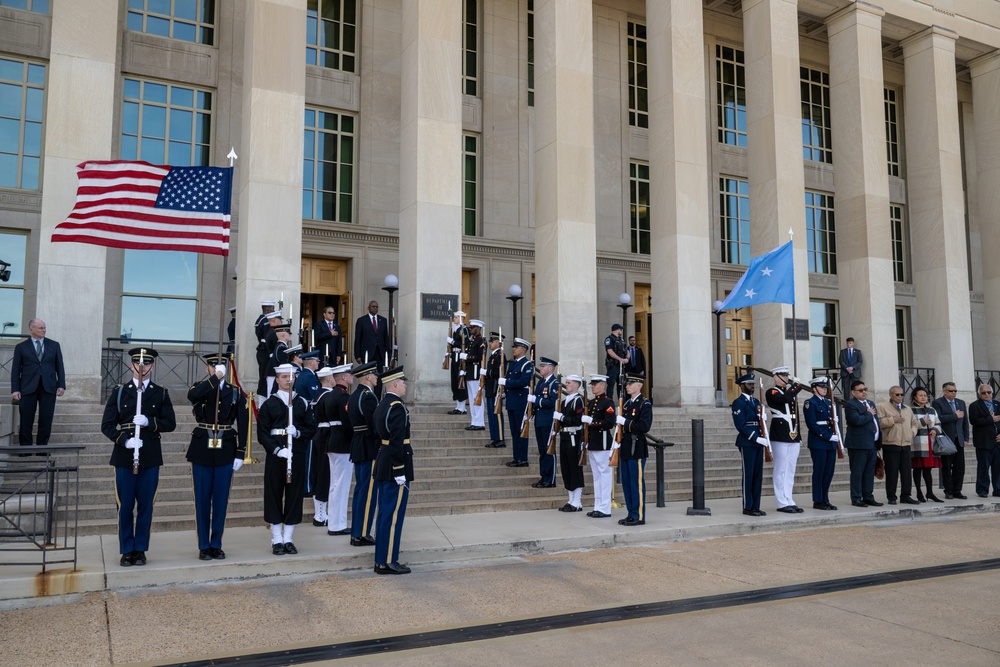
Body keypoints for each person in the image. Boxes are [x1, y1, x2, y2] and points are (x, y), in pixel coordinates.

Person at [101, 347, 176, 566]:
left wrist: (150, 423)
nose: (142, 368)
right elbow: (106, 425)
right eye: (137, 364)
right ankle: (126, 549)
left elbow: (170, 423)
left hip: (150, 455)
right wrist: (124, 440)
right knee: (124, 505)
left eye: (146, 364)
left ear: (152, 366)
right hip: (124, 455)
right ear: (131, 365)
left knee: (145, 505)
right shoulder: (120, 392)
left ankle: (140, 549)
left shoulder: (160, 392)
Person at [186, 353, 249, 560]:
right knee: (202, 500)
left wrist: (241, 452)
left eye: (221, 366)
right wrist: (214, 379)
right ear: (208, 369)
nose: (218, 369)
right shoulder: (201, 387)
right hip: (202, 447)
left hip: (226, 449)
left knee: (221, 500)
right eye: (213, 366)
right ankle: (203, 545)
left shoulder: (236, 393)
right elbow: (192, 397)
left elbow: (243, 422)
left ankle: (216, 543)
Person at [257, 363, 317, 555]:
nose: (287, 380)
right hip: (276, 455)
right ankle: (276, 539)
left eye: (290, 377)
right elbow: (262, 433)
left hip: (296, 453)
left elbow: (311, 429)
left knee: (294, 495)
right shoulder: (269, 403)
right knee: (274, 494)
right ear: (277, 379)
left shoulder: (302, 403)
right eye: (283, 377)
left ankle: (288, 538)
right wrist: (276, 449)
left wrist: (298, 432)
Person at [372, 366, 413, 575]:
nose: (405, 385)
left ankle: (381, 559)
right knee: (392, 515)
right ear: (395, 384)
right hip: (394, 465)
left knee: (384, 515)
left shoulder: (382, 404)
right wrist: (399, 471)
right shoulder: (397, 407)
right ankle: (388, 561)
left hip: (383, 462)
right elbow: (397, 441)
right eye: (403, 382)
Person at [10, 318, 65, 453]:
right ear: (31, 330)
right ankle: (25, 449)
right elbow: (16, 369)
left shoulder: (54, 345)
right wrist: (15, 389)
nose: (43, 330)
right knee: (26, 418)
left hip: (49, 386)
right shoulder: (21, 347)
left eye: (44, 327)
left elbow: (60, 367)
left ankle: (42, 448)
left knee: (46, 418)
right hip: (27, 387)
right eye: (40, 328)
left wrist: (61, 385)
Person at [765, 366, 806, 513]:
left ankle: (789, 499)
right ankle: (781, 502)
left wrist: (798, 434)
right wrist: (796, 386)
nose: (786, 378)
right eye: (783, 375)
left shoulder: (790, 392)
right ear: (776, 377)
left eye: (787, 375)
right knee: (781, 469)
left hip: (792, 433)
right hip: (780, 433)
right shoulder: (772, 391)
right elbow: (784, 398)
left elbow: (795, 415)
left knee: (790, 469)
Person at [348, 361, 380, 547]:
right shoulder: (368, 397)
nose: (377, 378)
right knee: (368, 492)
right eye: (374, 375)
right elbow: (373, 424)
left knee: (361, 490)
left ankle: (356, 532)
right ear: (368, 376)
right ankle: (362, 533)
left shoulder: (354, 395)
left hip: (358, 444)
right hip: (368, 446)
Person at [616, 374, 652, 525]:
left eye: (630, 384)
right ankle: (631, 513)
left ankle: (639, 515)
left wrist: (626, 422)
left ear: (639, 385)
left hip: (636, 446)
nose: (627, 386)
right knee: (626, 482)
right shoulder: (625, 404)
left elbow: (644, 426)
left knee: (636, 483)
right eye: (627, 384)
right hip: (625, 446)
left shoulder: (645, 404)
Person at [877, 386, 920, 505]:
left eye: (902, 394)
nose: (900, 397)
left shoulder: (907, 409)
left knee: (906, 472)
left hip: (905, 443)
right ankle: (891, 496)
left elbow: (914, 423)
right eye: (897, 394)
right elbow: (879, 422)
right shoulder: (883, 407)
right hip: (891, 443)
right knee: (892, 472)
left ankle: (906, 495)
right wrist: (892, 419)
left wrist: (911, 432)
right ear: (891, 395)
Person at [325, 364, 354, 537]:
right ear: (343, 377)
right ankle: (338, 524)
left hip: (332, 441)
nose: (352, 377)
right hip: (343, 444)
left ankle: (334, 522)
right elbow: (347, 422)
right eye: (349, 375)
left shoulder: (330, 395)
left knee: (335, 485)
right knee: (341, 486)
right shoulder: (343, 397)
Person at [844, 380, 883, 508]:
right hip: (858, 444)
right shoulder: (851, 404)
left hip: (872, 443)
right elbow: (856, 420)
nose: (864, 392)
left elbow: (875, 421)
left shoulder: (870, 403)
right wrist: (868, 414)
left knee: (869, 472)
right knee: (857, 472)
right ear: (853, 392)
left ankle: (868, 496)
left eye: (865, 389)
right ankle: (856, 497)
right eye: (860, 390)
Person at [731, 372, 766, 517]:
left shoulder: (757, 402)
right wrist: (755, 438)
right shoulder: (738, 402)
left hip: (759, 440)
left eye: (753, 384)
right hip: (748, 441)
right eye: (749, 384)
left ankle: (756, 506)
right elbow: (740, 426)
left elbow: (761, 423)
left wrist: (764, 438)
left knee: (758, 475)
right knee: (749, 474)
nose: (752, 386)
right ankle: (748, 506)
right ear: (742, 386)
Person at [803, 377, 839, 510]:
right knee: (819, 471)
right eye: (822, 387)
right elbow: (811, 424)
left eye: (826, 388)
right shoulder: (810, 403)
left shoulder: (828, 403)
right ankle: (818, 500)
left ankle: (825, 499)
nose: (825, 389)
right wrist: (828, 436)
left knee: (829, 471)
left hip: (830, 441)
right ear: (814, 388)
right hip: (819, 441)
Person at [584, 374, 616, 518]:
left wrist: (592, 422)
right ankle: (598, 506)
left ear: (603, 385)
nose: (593, 386)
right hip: (593, 443)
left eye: (595, 384)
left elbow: (610, 423)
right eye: (592, 384)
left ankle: (605, 508)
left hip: (603, 443)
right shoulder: (591, 403)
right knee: (596, 477)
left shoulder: (607, 402)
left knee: (604, 476)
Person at [309, 366, 337, 527]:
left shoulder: (319, 394)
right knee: (324, 474)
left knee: (319, 473)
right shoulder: (327, 396)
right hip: (326, 435)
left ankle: (320, 513)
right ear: (328, 379)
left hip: (319, 434)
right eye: (333, 377)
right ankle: (320, 514)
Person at [553, 374, 586, 512]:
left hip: (574, 436)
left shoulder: (579, 401)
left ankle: (577, 502)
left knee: (574, 468)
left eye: (569, 382)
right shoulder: (565, 401)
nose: (567, 385)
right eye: (566, 382)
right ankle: (570, 499)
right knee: (566, 468)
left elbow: (578, 420)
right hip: (565, 435)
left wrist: (562, 417)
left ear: (577, 385)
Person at [932, 382, 969, 499]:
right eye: (950, 391)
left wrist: (966, 438)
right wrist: (954, 415)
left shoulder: (961, 403)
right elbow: (938, 419)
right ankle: (948, 491)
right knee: (947, 466)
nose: (953, 393)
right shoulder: (938, 403)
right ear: (944, 391)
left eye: (955, 391)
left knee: (960, 467)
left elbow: (965, 422)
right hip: (946, 440)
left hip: (959, 439)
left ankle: (957, 490)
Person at [500, 337, 533, 467]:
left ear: (523, 349)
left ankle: (522, 458)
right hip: (512, 401)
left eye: (516, 347)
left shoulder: (527, 365)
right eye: (514, 347)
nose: (514, 349)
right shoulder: (512, 364)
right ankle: (516, 457)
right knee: (514, 431)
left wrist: (506, 383)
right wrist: (504, 391)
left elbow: (523, 382)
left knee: (521, 430)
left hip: (520, 402)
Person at [529, 356, 558, 488]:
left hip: (548, 420)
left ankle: (550, 479)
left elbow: (551, 402)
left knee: (548, 450)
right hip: (540, 420)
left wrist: (536, 401)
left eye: (543, 366)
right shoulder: (541, 382)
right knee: (542, 450)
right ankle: (543, 476)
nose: (540, 368)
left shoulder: (554, 383)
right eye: (540, 366)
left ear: (550, 368)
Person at [910, 387, 942, 503]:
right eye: (920, 395)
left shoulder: (932, 409)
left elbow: (938, 422)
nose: (923, 397)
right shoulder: (911, 410)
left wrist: (934, 429)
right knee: (918, 469)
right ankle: (919, 492)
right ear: (915, 397)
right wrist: (923, 422)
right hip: (917, 443)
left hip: (930, 442)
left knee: (928, 470)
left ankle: (930, 492)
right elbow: (910, 425)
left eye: (925, 395)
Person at [968, 384, 1000, 498]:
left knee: (998, 467)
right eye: (984, 393)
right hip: (984, 442)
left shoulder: (997, 404)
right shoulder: (974, 406)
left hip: (997, 442)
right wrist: (991, 419)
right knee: (983, 467)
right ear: (979, 394)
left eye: (989, 392)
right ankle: (982, 490)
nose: (987, 394)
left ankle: (998, 489)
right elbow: (974, 421)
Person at [483, 332, 507, 448]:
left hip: (495, 389)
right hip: (489, 389)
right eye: (490, 341)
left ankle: (500, 438)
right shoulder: (493, 356)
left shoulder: (500, 356)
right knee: (491, 416)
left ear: (498, 343)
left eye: (493, 341)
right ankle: (495, 438)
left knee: (496, 414)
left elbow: (500, 373)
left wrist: (486, 373)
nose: (490, 343)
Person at [463, 319, 486, 431]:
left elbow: (479, 357)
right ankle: (474, 421)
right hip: (470, 373)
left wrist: (467, 358)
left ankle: (480, 422)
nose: (471, 329)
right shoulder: (473, 341)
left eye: (473, 328)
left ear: (478, 328)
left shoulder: (481, 341)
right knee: (472, 399)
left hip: (476, 373)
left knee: (477, 398)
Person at [353, 300, 390, 370]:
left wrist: (387, 354)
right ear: (368, 308)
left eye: (376, 307)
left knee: (380, 375)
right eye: (373, 306)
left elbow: (386, 338)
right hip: (367, 353)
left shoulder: (383, 320)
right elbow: (358, 339)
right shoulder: (361, 321)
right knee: (368, 376)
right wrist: (357, 355)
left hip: (380, 353)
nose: (375, 308)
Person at [446, 310, 470, 415]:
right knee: (455, 381)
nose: (454, 319)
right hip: (455, 356)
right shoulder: (457, 329)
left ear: (461, 318)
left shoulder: (464, 329)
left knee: (460, 381)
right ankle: (458, 406)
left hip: (460, 357)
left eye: (456, 317)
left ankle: (462, 407)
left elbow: (465, 344)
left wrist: (453, 342)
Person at [254, 301, 277, 398]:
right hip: (265, 351)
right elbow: (269, 338)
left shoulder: (260, 319)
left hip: (262, 350)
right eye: (272, 308)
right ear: (267, 309)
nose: (274, 310)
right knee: (265, 376)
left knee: (263, 375)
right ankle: (264, 398)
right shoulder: (266, 321)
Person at [604, 324, 628, 399]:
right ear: (617, 330)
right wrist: (620, 359)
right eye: (620, 330)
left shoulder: (621, 340)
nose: (621, 331)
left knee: (622, 385)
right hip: (613, 365)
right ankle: (609, 402)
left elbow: (626, 350)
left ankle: (622, 404)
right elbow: (610, 351)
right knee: (611, 384)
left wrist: (627, 358)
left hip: (621, 366)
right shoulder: (609, 339)